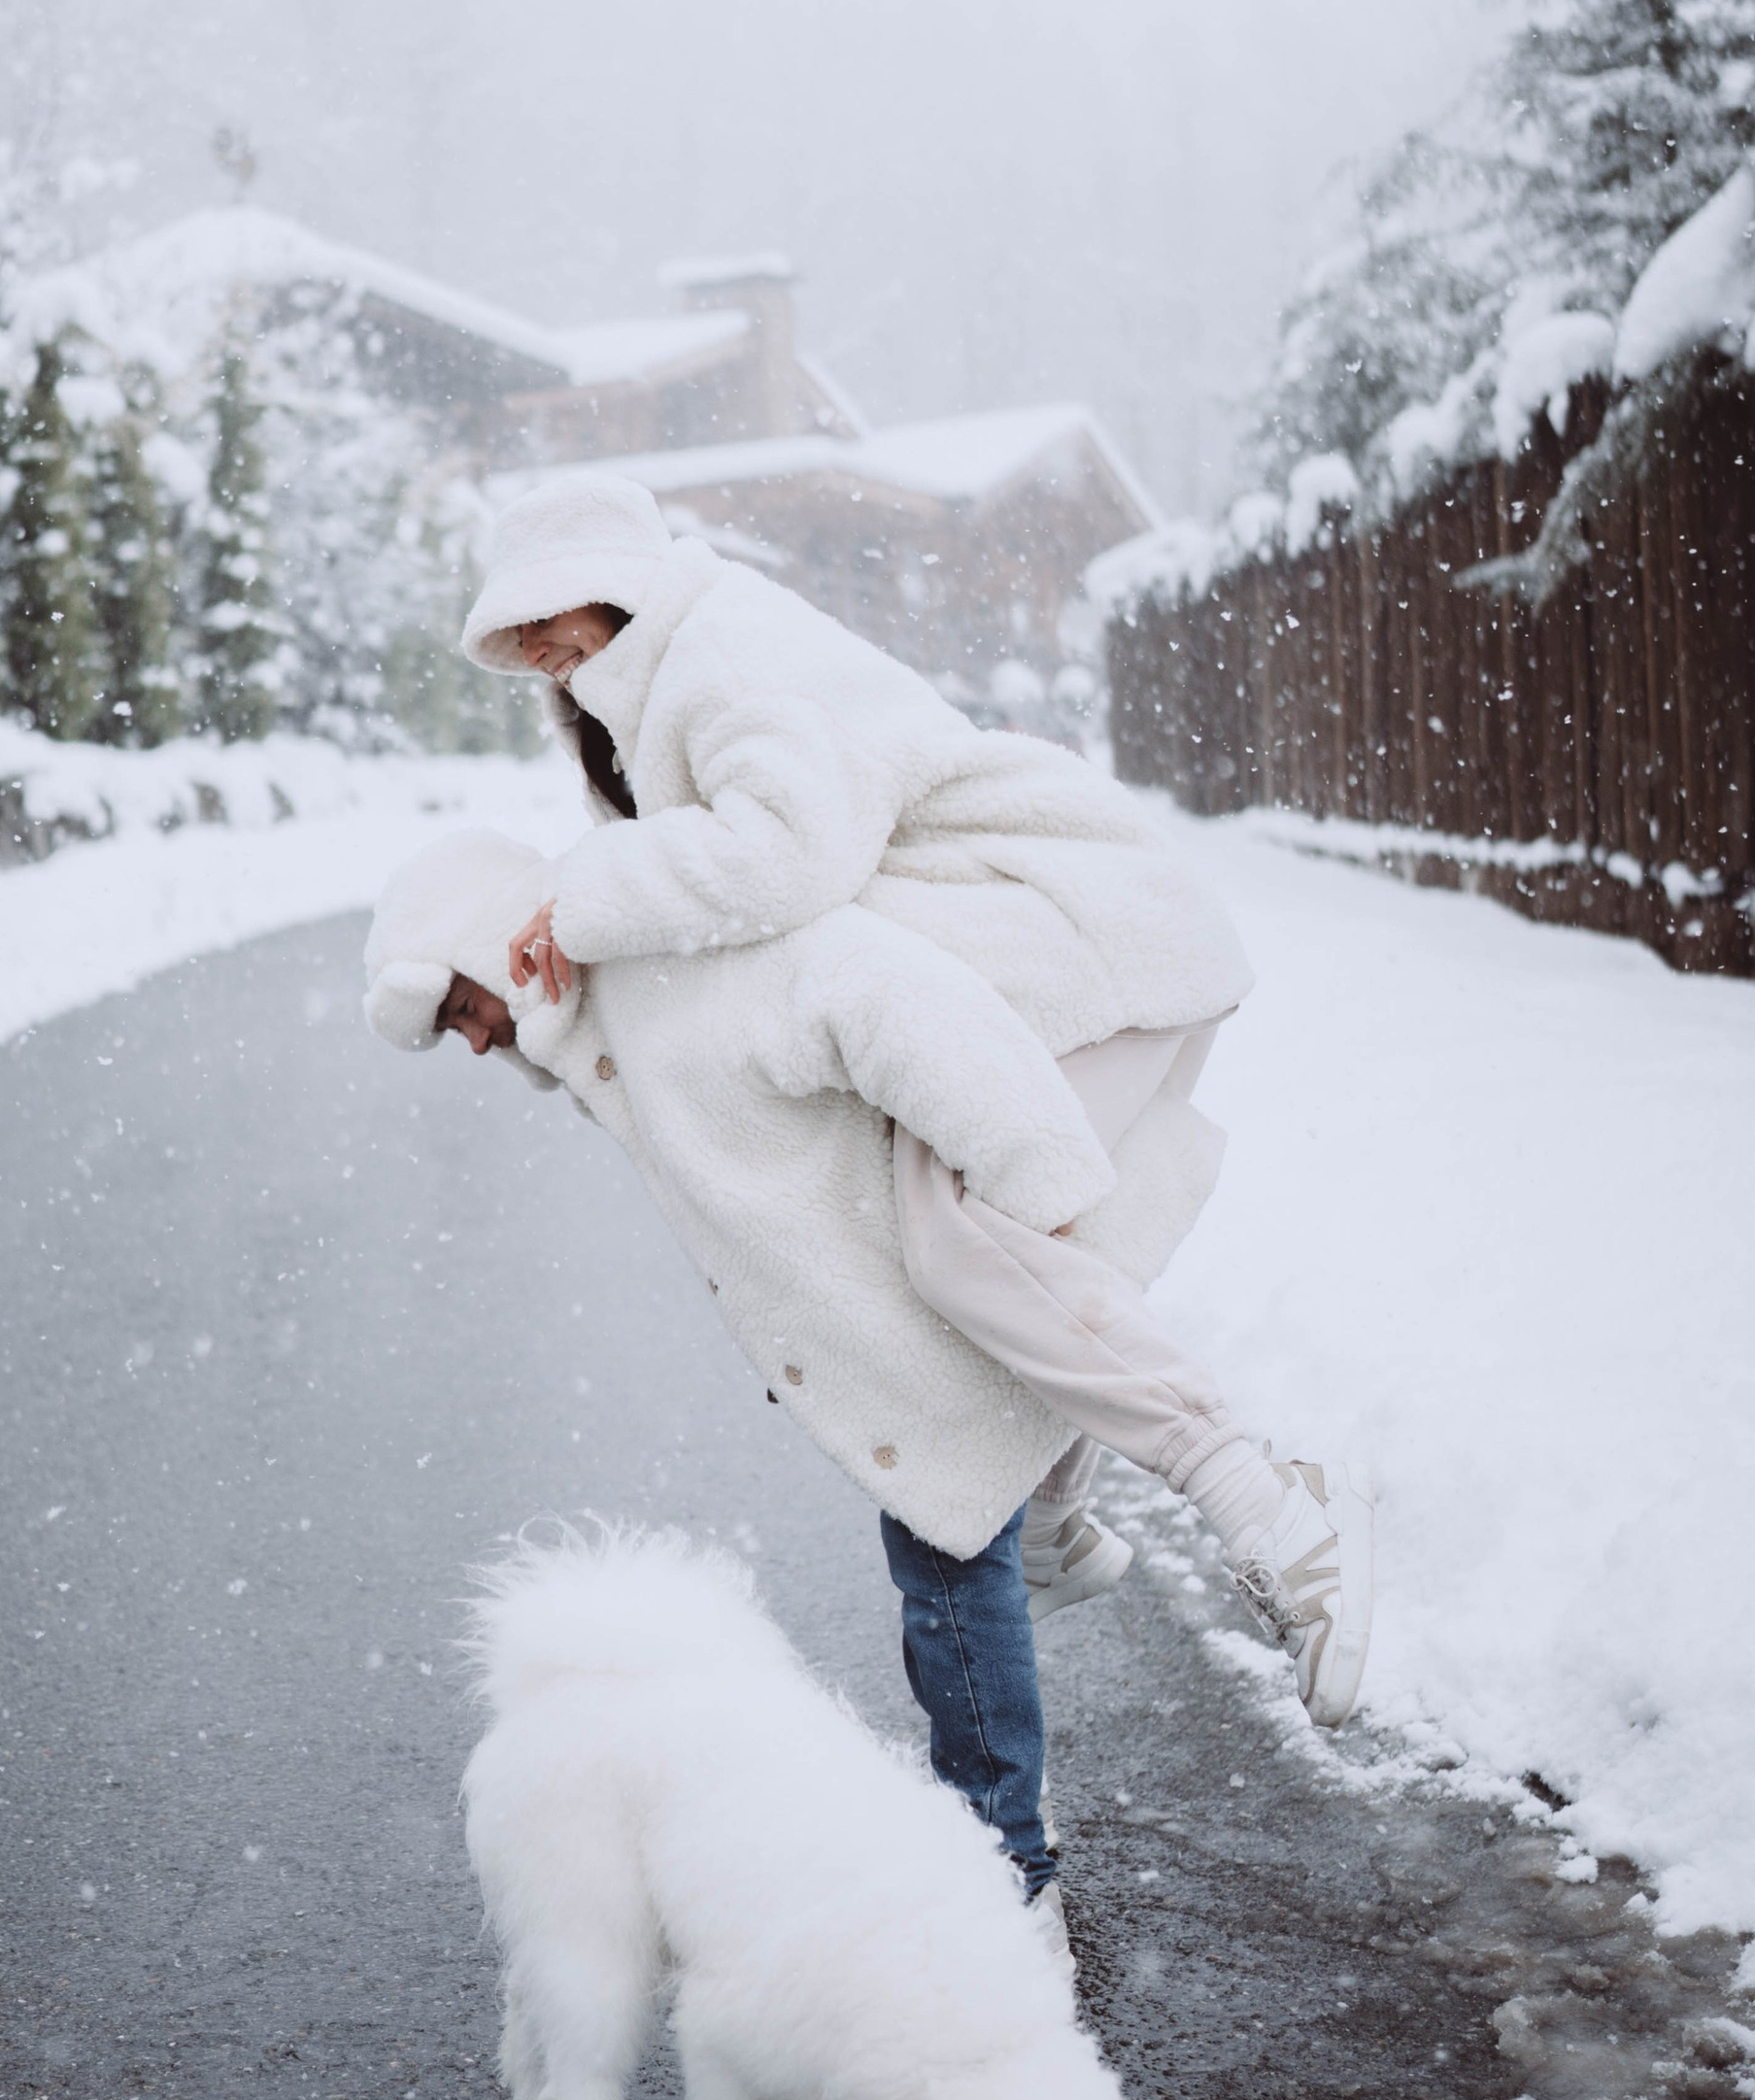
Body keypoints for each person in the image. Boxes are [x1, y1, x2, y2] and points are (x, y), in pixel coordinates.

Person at [361, 828, 1377, 1923]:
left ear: (481, 946)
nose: (469, 1043)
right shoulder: (606, 1035)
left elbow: (875, 992)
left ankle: (1005, 1880)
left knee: (942, 1540)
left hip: (1071, 1029)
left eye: (459, 1008)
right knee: (964, 1495)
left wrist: (1020, 1168)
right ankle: (1052, 1570)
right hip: (931, 1247)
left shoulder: (668, 966)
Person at [455, 471, 1364, 1631]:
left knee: (959, 1236)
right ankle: (1051, 1516)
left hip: (1077, 936)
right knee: (1004, 1241)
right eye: (512, 627)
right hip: (1021, 966)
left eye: (547, 614)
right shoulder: (642, 695)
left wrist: (586, 895)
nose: (531, 646)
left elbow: (784, 857)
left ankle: (1276, 1515)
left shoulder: (726, 656)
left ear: (614, 587)